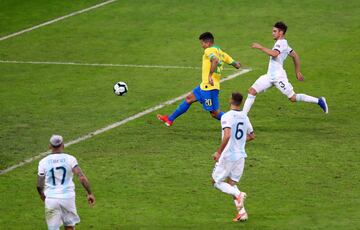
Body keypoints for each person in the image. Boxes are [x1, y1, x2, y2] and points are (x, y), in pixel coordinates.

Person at [242, 21, 328, 115]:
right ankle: (242, 116)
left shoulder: (281, 43)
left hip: (278, 77)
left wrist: (260, 47)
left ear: (281, 32)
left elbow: (275, 54)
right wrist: (297, 71)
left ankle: (319, 101)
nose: (273, 33)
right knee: (252, 91)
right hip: (269, 76)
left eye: (275, 31)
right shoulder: (284, 44)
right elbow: (295, 56)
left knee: (293, 98)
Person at [157, 32, 241, 127]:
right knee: (189, 99)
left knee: (215, 113)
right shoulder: (221, 52)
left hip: (209, 87)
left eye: (203, 43)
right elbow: (235, 63)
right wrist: (237, 64)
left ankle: (237, 123)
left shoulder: (209, 50)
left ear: (208, 43)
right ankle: (170, 119)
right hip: (204, 86)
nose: (202, 46)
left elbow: (215, 60)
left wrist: (210, 75)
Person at [212, 92, 255, 222]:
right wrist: (240, 142)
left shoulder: (226, 116)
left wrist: (219, 152)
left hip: (228, 155)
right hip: (240, 156)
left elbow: (227, 135)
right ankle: (242, 213)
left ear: (231, 100)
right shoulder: (244, 117)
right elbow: (252, 136)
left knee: (216, 182)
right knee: (231, 184)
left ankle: (239, 194)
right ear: (241, 103)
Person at [37, 135, 95, 230]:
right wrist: (89, 193)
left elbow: (39, 184)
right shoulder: (70, 159)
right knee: (69, 226)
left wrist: (41, 195)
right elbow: (81, 177)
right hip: (68, 198)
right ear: (63, 145)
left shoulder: (43, 162)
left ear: (49, 146)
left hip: (51, 199)